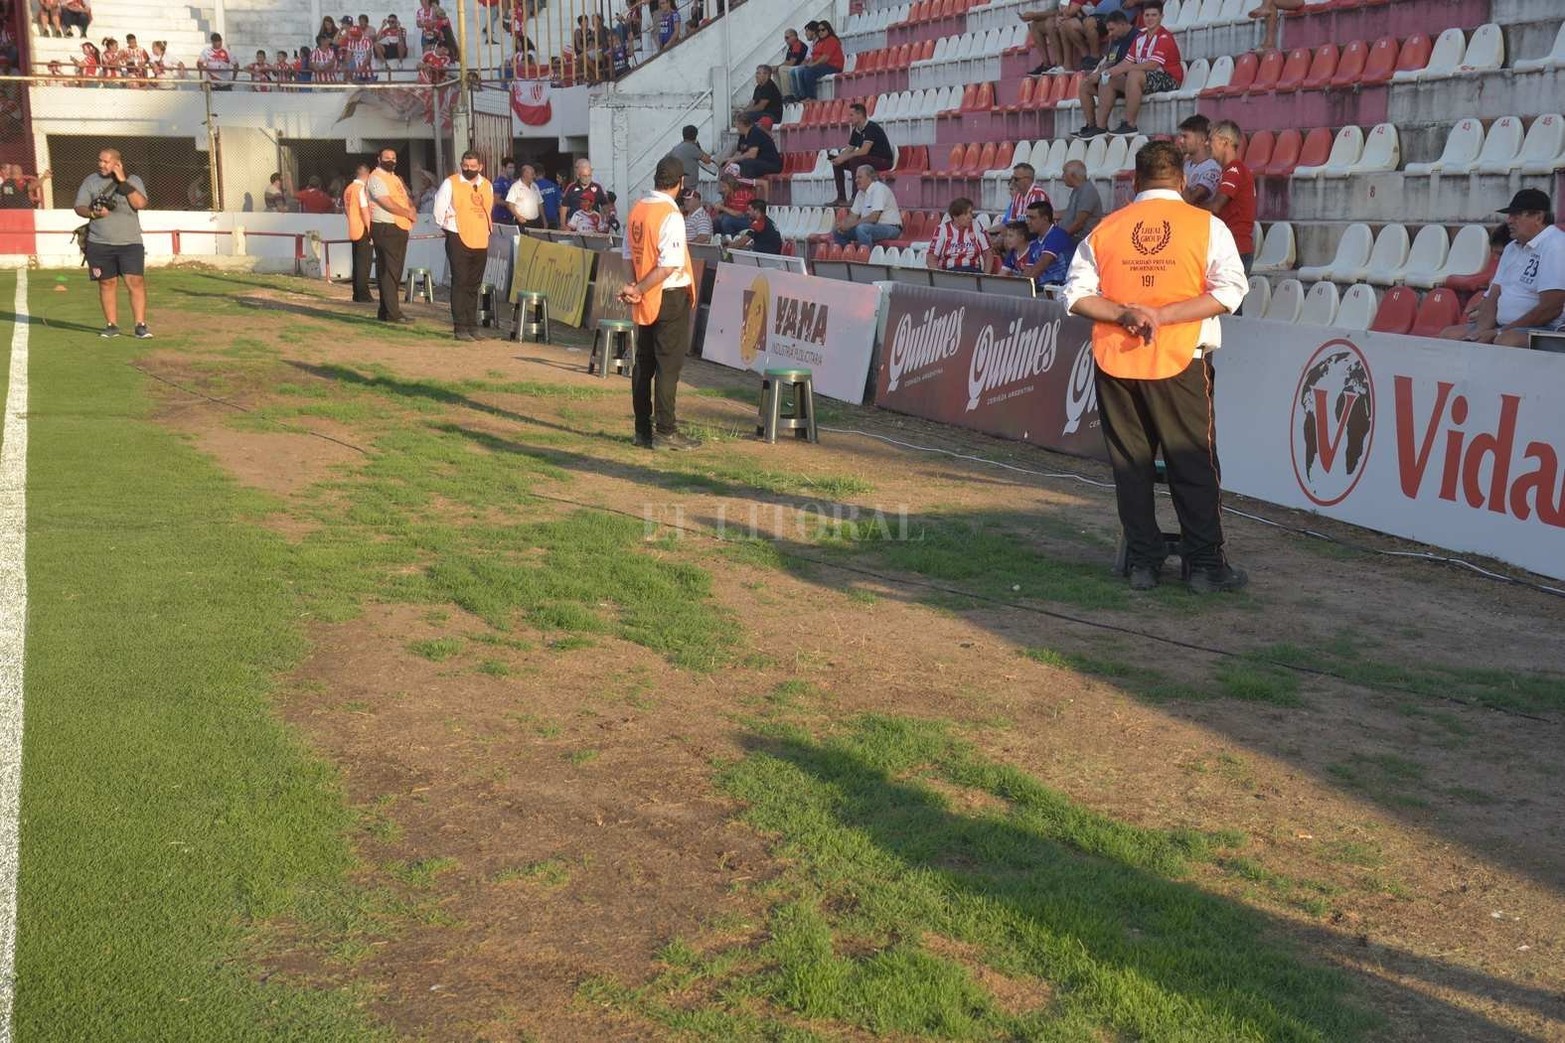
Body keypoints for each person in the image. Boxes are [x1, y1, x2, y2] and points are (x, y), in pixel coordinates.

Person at [1063, 140, 1249, 593]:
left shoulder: (1107, 228)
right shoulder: (1206, 226)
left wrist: (1126, 314)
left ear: (1134, 181)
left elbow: (1075, 295)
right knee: (1193, 464)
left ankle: (1143, 563)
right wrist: (1163, 316)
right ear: (1182, 181)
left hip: (1118, 359)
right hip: (1181, 357)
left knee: (1132, 465)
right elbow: (1230, 292)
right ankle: (1204, 566)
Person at [621, 155, 700, 451]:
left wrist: (635, 287)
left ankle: (642, 430)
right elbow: (669, 266)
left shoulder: (637, 209)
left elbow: (628, 254)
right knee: (668, 366)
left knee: (644, 364)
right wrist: (640, 287)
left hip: (645, 294)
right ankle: (666, 431)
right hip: (668, 295)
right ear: (680, 183)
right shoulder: (671, 215)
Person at [1439, 189, 1565, 348]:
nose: (1509, 221)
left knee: (1506, 341)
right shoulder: (1512, 247)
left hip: (1546, 329)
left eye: (1516, 215)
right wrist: (1480, 331)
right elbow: (1493, 295)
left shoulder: (1556, 246)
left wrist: (1500, 332)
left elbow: (1550, 308)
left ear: (1538, 217)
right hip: (1506, 327)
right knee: (1449, 335)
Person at [74, 148, 151, 339]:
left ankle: (140, 325)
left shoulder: (133, 180)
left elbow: (140, 204)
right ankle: (111, 325)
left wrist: (122, 180)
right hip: (99, 242)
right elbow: (79, 206)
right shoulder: (90, 181)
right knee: (107, 283)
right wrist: (92, 213)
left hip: (130, 242)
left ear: (117, 163)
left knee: (135, 281)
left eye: (106, 162)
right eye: (99, 161)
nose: (101, 164)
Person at [1076, 2, 1178, 138]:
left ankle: (1130, 125)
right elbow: (1126, 62)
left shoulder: (1164, 37)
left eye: (1154, 15)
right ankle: (1100, 128)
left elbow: (1152, 65)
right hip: (1145, 78)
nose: (1150, 18)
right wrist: (1108, 72)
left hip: (1168, 78)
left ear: (1161, 17)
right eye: (1147, 15)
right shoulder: (1140, 38)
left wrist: (1124, 69)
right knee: (1109, 78)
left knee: (1133, 74)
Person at [432, 151, 494, 342]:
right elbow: (438, 209)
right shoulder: (451, 183)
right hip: (457, 236)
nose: (468, 169)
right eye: (465, 166)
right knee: (460, 281)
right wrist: (449, 228)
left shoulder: (486, 185)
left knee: (474, 285)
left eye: (472, 167)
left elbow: (487, 210)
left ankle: (472, 325)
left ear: (480, 167)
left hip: (480, 238)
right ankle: (460, 327)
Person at [366, 146, 417, 324]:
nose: (391, 160)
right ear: (379, 159)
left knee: (391, 271)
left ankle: (386, 311)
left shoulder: (394, 178)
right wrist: (406, 212)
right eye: (387, 157)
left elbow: (405, 196)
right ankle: (393, 313)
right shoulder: (376, 178)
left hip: (398, 226)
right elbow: (385, 202)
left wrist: (411, 208)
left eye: (393, 158)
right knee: (390, 272)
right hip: (386, 227)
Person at [1206, 120, 1256, 274]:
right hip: (1233, 247)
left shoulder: (1234, 169)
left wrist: (1185, 208)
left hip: (1235, 248)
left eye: (1211, 139)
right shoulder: (1232, 170)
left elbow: (1215, 207)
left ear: (1224, 142)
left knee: (1226, 298)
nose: (1207, 144)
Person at [830, 102, 894, 206]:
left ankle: (855, 197)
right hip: (868, 160)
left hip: (883, 161)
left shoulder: (871, 127)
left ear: (860, 115)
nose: (849, 118)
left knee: (855, 160)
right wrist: (839, 158)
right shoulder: (856, 130)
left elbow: (864, 150)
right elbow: (849, 149)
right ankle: (841, 197)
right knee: (838, 163)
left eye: (851, 115)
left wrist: (845, 157)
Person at [832, 164, 901, 247]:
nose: (856, 180)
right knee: (838, 231)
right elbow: (852, 217)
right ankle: (849, 254)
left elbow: (873, 218)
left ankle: (866, 257)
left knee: (862, 229)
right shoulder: (860, 193)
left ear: (870, 178)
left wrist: (851, 224)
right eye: (856, 177)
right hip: (872, 227)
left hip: (890, 227)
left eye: (859, 177)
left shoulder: (878, 189)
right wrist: (843, 225)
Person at [925, 197, 990, 272]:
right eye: (966, 214)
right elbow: (931, 257)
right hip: (949, 273)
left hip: (973, 272)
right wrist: (938, 277)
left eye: (970, 213)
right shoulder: (942, 229)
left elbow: (988, 253)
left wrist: (985, 276)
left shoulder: (976, 225)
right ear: (955, 217)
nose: (970, 217)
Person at [1024, 199, 1075, 286]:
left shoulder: (1057, 235)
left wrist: (1023, 287)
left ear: (1045, 219)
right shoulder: (1034, 242)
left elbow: (1041, 265)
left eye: (1032, 218)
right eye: (1027, 217)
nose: (1027, 222)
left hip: (1061, 287)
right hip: (1044, 287)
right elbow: (1028, 272)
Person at [343, 162, 374, 302]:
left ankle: (357, 292)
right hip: (362, 229)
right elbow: (364, 210)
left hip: (353, 228)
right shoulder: (360, 189)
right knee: (364, 264)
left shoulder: (348, 189)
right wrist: (371, 229)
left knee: (357, 262)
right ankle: (363, 294)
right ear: (366, 175)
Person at [793, 20, 843, 100]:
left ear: (828, 30)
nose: (820, 32)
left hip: (833, 66)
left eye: (823, 30)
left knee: (809, 72)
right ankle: (803, 96)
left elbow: (825, 58)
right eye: (818, 30)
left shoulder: (831, 40)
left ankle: (811, 97)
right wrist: (809, 64)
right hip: (823, 66)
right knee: (802, 71)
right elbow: (814, 56)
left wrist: (813, 64)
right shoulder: (820, 42)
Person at [725, 112, 782, 179]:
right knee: (732, 165)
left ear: (741, 124)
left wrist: (735, 159)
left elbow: (752, 154)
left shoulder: (755, 132)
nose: (736, 126)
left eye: (736, 123)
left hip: (770, 163)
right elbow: (739, 153)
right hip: (757, 162)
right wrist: (730, 161)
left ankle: (748, 186)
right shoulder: (742, 135)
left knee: (747, 164)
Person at [1059, 159, 1104, 241]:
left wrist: (1060, 238)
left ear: (1073, 176)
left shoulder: (1087, 191)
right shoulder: (1077, 189)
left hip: (1080, 240)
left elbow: (1079, 224)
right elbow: (1071, 212)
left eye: (1064, 173)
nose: (1062, 177)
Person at [561, 157, 605, 229]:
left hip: (593, 226)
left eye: (589, 176)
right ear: (578, 175)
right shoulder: (571, 187)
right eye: (584, 176)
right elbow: (563, 206)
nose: (587, 178)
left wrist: (604, 223)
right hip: (574, 225)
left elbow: (605, 206)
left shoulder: (597, 187)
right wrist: (563, 225)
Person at [778, 22, 818, 99]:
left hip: (802, 66)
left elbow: (791, 62)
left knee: (782, 69)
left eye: (787, 38)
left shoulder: (797, 44)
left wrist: (778, 66)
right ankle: (780, 96)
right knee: (777, 70)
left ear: (794, 37)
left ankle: (788, 95)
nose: (785, 40)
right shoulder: (792, 46)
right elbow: (805, 59)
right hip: (802, 65)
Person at [505, 162, 546, 229]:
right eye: (532, 174)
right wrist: (518, 217)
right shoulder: (515, 187)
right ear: (525, 174)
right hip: (523, 222)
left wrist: (544, 220)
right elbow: (510, 204)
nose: (534, 176)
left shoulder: (535, 186)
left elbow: (540, 204)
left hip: (536, 222)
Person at [491, 157, 517, 225]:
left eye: (513, 168)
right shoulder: (499, 182)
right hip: (501, 218)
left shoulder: (512, 182)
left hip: (510, 217)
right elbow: (496, 200)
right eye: (510, 167)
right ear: (504, 168)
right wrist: (510, 204)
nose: (512, 170)